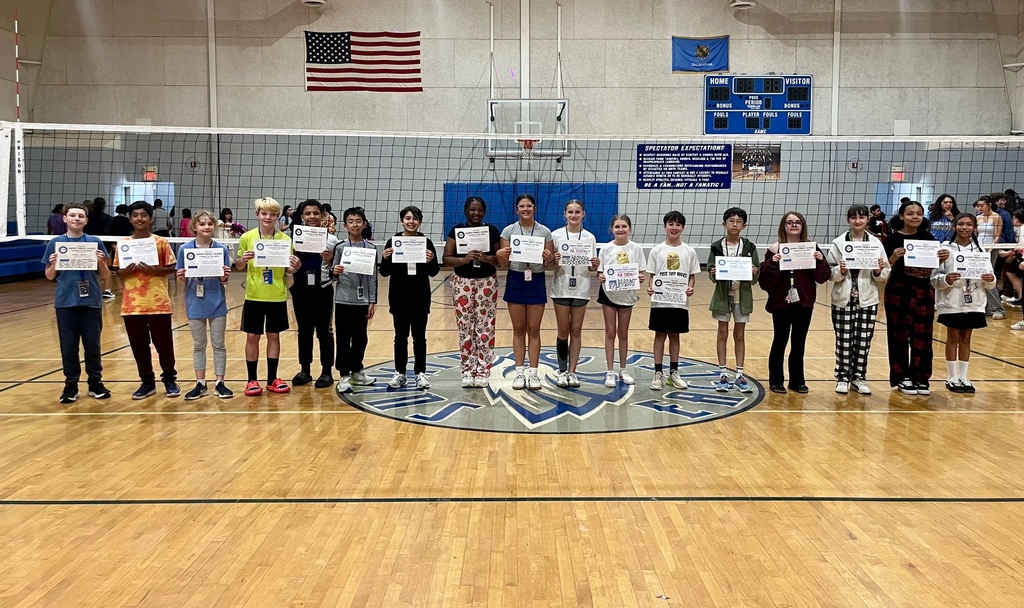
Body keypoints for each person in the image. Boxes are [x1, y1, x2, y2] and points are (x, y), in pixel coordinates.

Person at [41, 202, 112, 404]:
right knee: (69, 346)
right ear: (65, 218)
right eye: (72, 215)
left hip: (91, 301)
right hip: (65, 302)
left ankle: (95, 383)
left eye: (81, 216)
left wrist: (100, 262)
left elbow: (106, 276)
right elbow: (49, 276)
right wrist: (54, 263)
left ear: (86, 220)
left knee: (93, 344)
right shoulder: (55, 243)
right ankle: (71, 384)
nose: (77, 219)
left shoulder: (95, 241)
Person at [757, 211, 831, 394]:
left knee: (799, 342)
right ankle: (776, 380)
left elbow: (823, 277)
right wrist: (773, 263)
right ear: (783, 226)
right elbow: (764, 282)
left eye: (797, 222)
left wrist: (820, 261)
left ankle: (797, 380)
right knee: (780, 340)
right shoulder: (774, 249)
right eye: (789, 222)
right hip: (781, 303)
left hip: (804, 302)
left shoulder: (811, 248)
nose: (793, 225)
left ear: (803, 226)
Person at [234, 196, 301, 396]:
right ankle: (251, 380)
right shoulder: (248, 237)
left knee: (274, 336)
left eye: (273, 214)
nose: (268, 217)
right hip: (254, 296)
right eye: (264, 213)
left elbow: (288, 269)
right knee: (253, 336)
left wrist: (295, 268)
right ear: (257, 215)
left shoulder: (285, 239)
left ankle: (272, 378)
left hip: (277, 296)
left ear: (278, 216)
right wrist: (242, 260)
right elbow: (238, 266)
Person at [114, 201, 179, 399]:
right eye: (135, 215)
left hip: (158, 302)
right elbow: (118, 271)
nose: (139, 218)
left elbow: (172, 267)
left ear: (150, 219)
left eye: (144, 215)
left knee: (164, 344)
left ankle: (169, 380)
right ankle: (147, 382)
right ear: (130, 219)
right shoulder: (124, 244)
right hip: (132, 305)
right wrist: (125, 271)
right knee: (139, 345)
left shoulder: (160, 242)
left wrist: (155, 270)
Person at [883, 199, 949, 395]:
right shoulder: (892, 240)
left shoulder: (927, 237)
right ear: (902, 216)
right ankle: (902, 376)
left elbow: (932, 266)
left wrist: (941, 259)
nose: (915, 217)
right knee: (899, 335)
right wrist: (894, 257)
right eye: (910, 213)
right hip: (898, 290)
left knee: (923, 334)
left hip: (923, 289)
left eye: (919, 213)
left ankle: (920, 377)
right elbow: (883, 268)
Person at [826, 205, 890, 395]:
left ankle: (859, 377)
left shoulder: (876, 243)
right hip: (843, 298)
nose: (857, 221)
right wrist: (841, 270)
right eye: (853, 217)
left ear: (867, 219)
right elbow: (829, 272)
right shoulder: (838, 243)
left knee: (863, 340)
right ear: (848, 220)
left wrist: (878, 271)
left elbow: (885, 272)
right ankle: (842, 377)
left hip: (868, 299)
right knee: (844, 340)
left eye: (861, 217)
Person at [496, 194, 555, 390]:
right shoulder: (508, 231)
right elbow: (503, 263)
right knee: (519, 329)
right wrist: (501, 255)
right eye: (522, 206)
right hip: (516, 278)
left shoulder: (544, 231)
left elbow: (550, 264)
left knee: (534, 329)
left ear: (534, 208)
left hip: (536, 280)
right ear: (517, 209)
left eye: (529, 206)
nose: (526, 209)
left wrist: (548, 258)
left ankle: (534, 373)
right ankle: (519, 372)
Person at [933, 213, 996, 393]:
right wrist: (947, 279)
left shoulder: (981, 251)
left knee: (966, 338)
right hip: (952, 301)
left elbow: (990, 283)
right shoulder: (945, 250)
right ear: (954, 226)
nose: (965, 228)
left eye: (969, 224)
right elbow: (934, 279)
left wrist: (990, 279)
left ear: (974, 228)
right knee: (953, 336)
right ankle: (951, 377)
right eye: (961, 224)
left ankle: (964, 377)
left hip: (974, 302)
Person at [442, 196, 501, 388]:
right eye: (472, 210)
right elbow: (446, 259)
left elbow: (499, 260)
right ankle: (467, 370)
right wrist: (464, 259)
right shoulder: (457, 231)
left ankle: (483, 370)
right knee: (465, 327)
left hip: (486, 282)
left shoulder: (491, 231)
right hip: (462, 283)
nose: (476, 213)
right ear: (466, 211)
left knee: (485, 327)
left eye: (480, 210)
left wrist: (486, 257)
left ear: (484, 211)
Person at [174, 211, 234, 400]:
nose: (206, 227)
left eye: (209, 224)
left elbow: (224, 281)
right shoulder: (184, 249)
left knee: (219, 344)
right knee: (199, 345)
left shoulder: (221, 249)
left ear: (214, 227)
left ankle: (220, 382)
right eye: (202, 224)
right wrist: (181, 277)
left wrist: (225, 275)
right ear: (194, 227)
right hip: (195, 303)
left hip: (216, 302)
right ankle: (200, 383)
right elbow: (182, 281)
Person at [380, 206, 441, 390]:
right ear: (401, 221)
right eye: (407, 218)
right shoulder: (393, 241)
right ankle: (400, 373)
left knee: (419, 337)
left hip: (420, 297)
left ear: (420, 222)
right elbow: (384, 272)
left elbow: (434, 272)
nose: (411, 222)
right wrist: (385, 258)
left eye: (415, 219)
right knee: (400, 337)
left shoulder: (426, 242)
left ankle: (420, 373)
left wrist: (430, 260)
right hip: (399, 297)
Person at [645, 210, 700, 391]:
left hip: (679, 301)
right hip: (661, 300)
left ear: (682, 228)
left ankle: (674, 373)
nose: (674, 228)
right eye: (671, 224)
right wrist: (650, 287)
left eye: (677, 224)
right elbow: (652, 275)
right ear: (665, 227)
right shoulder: (657, 250)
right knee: (659, 335)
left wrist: (690, 287)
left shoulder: (689, 251)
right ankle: (658, 373)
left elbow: (692, 276)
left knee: (675, 336)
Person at [707, 207, 759, 393]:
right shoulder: (716, 246)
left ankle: (739, 374)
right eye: (731, 220)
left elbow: (755, 275)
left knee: (739, 334)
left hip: (741, 296)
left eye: (738, 221)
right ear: (724, 224)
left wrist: (754, 272)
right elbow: (712, 270)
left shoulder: (749, 247)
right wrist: (713, 272)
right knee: (722, 333)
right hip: (722, 295)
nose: (734, 224)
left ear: (744, 226)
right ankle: (722, 373)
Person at [289, 200, 338, 389]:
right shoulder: (293, 237)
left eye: (315, 213)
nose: (311, 217)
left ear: (322, 216)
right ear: (302, 217)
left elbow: (337, 269)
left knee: (324, 331)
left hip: (323, 288)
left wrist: (331, 258)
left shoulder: (332, 240)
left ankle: (327, 371)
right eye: (307, 213)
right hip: (300, 289)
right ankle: (305, 370)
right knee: (304, 331)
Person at [550, 199, 599, 388]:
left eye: (577, 212)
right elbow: (550, 265)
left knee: (576, 331)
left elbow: (592, 267)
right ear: (565, 214)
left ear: (583, 214)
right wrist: (553, 260)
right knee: (563, 331)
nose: (574, 215)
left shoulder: (589, 237)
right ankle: (562, 372)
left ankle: (572, 372)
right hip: (561, 288)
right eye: (570, 212)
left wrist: (595, 266)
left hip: (581, 288)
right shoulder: (556, 236)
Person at [331, 207, 378, 393]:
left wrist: (372, 300)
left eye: (358, 221)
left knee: (361, 338)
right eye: (351, 221)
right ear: (345, 225)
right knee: (343, 338)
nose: (355, 224)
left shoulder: (371, 248)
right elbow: (331, 275)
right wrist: (335, 272)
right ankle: (343, 375)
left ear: (364, 224)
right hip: (343, 300)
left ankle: (357, 371)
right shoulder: (341, 247)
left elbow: (373, 277)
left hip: (362, 301)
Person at [596, 214, 645, 388]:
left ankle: (623, 370)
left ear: (629, 229)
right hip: (609, 294)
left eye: (624, 226)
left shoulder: (636, 249)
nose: (621, 230)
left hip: (627, 295)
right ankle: (610, 371)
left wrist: (640, 277)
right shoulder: (606, 249)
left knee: (623, 333)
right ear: (612, 229)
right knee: (610, 332)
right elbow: (600, 272)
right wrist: (600, 276)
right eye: (617, 227)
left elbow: (641, 273)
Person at [973, 195, 1005, 320]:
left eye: (982, 205)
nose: (979, 208)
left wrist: (991, 249)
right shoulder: (977, 218)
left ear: (989, 205)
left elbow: (997, 236)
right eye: (978, 206)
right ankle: (985, 307)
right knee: (979, 278)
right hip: (979, 249)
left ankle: (997, 309)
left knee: (989, 277)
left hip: (991, 249)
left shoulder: (996, 217)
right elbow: (975, 235)